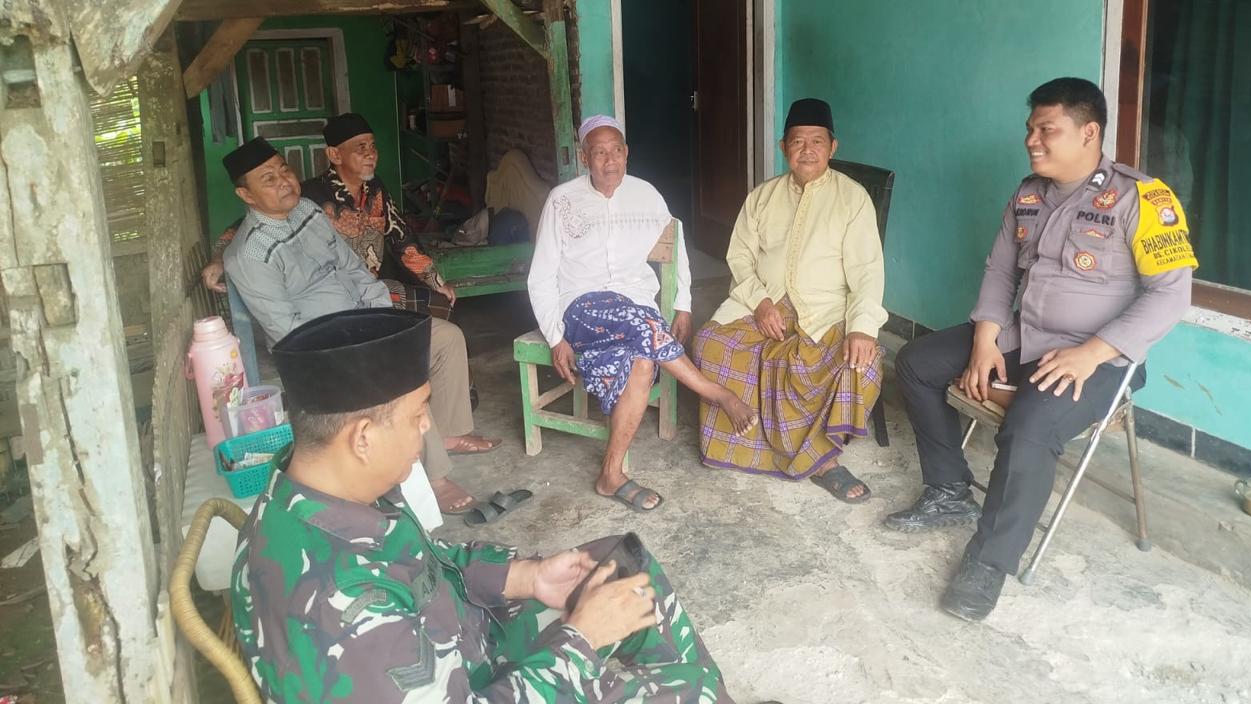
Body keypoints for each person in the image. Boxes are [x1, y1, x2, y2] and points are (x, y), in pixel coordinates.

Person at [231, 307, 741, 703]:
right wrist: (582, 639)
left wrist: (526, 577)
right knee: (686, 690)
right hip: (475, 684)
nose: (428, 427)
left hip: (468, 639)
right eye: (418, 414)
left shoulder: (330, 491)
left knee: (622, 566)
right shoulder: (339, 608)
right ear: (362, 437)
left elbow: (427, 564)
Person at [885, 77, 1196, 622]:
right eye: (1030, 128)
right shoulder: (1029, 193)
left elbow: (1171, 295)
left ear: (1088, 132)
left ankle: (988, 561)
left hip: (1097, 358)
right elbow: (1000, 271)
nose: (1032, 140)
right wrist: (985, 340)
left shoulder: (1144, 199)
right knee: (916, 363)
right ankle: (950, 488)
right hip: (1021, 335)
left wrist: (1092, 352)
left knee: (1029, 425)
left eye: (1046, 129)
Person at [219, 136, 498, 516]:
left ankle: (447, 434)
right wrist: (359, 343)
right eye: (268, 179)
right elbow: (288, 332)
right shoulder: (250, 256)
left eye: (284, 170)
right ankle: (434, 478)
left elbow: (352, 267)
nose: (284, 181)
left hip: (364, 322)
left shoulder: (307, 211)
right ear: (246, 195)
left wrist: (380, 312)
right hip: (323, 352)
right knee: (399, 371)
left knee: (446, 338)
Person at [527, 115, 759, 513]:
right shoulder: (562, 200)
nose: (609, 161)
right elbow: (541, 275)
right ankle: (716, 392)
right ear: (584, 158)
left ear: (627, 153)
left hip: (636, 311)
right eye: (599, 153)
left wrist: (683, 304)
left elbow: (677, 244)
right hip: (581, 309)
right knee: (641, 323)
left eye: (616, 151)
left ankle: (611, 474)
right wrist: (554, 336)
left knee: (641, 362)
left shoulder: (646, 195)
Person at [692, 98, 888, 504]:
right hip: (764, 302)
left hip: (826, 310)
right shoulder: (762, 196)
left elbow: (868, 271)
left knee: (859, 365)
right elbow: (739, 256)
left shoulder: (852, 199)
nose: (807, 150)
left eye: (817, 141)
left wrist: (862, 329)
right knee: (710, 343)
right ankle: (747, 447)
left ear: (833, 147)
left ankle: (825, 462)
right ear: (784, 148)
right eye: (798, 142)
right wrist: (761, 302)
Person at [202, 113, 455, 319]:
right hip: (338, 295)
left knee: (439, 304)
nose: (371, 154)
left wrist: (435, 281)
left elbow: (402, 237)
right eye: (361, 148)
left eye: (372, 146)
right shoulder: (308, 197)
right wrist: (218, 259)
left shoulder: (375, 188)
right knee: (420, 321)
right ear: (335, 155)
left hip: (373, 286)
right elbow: (245, 229)